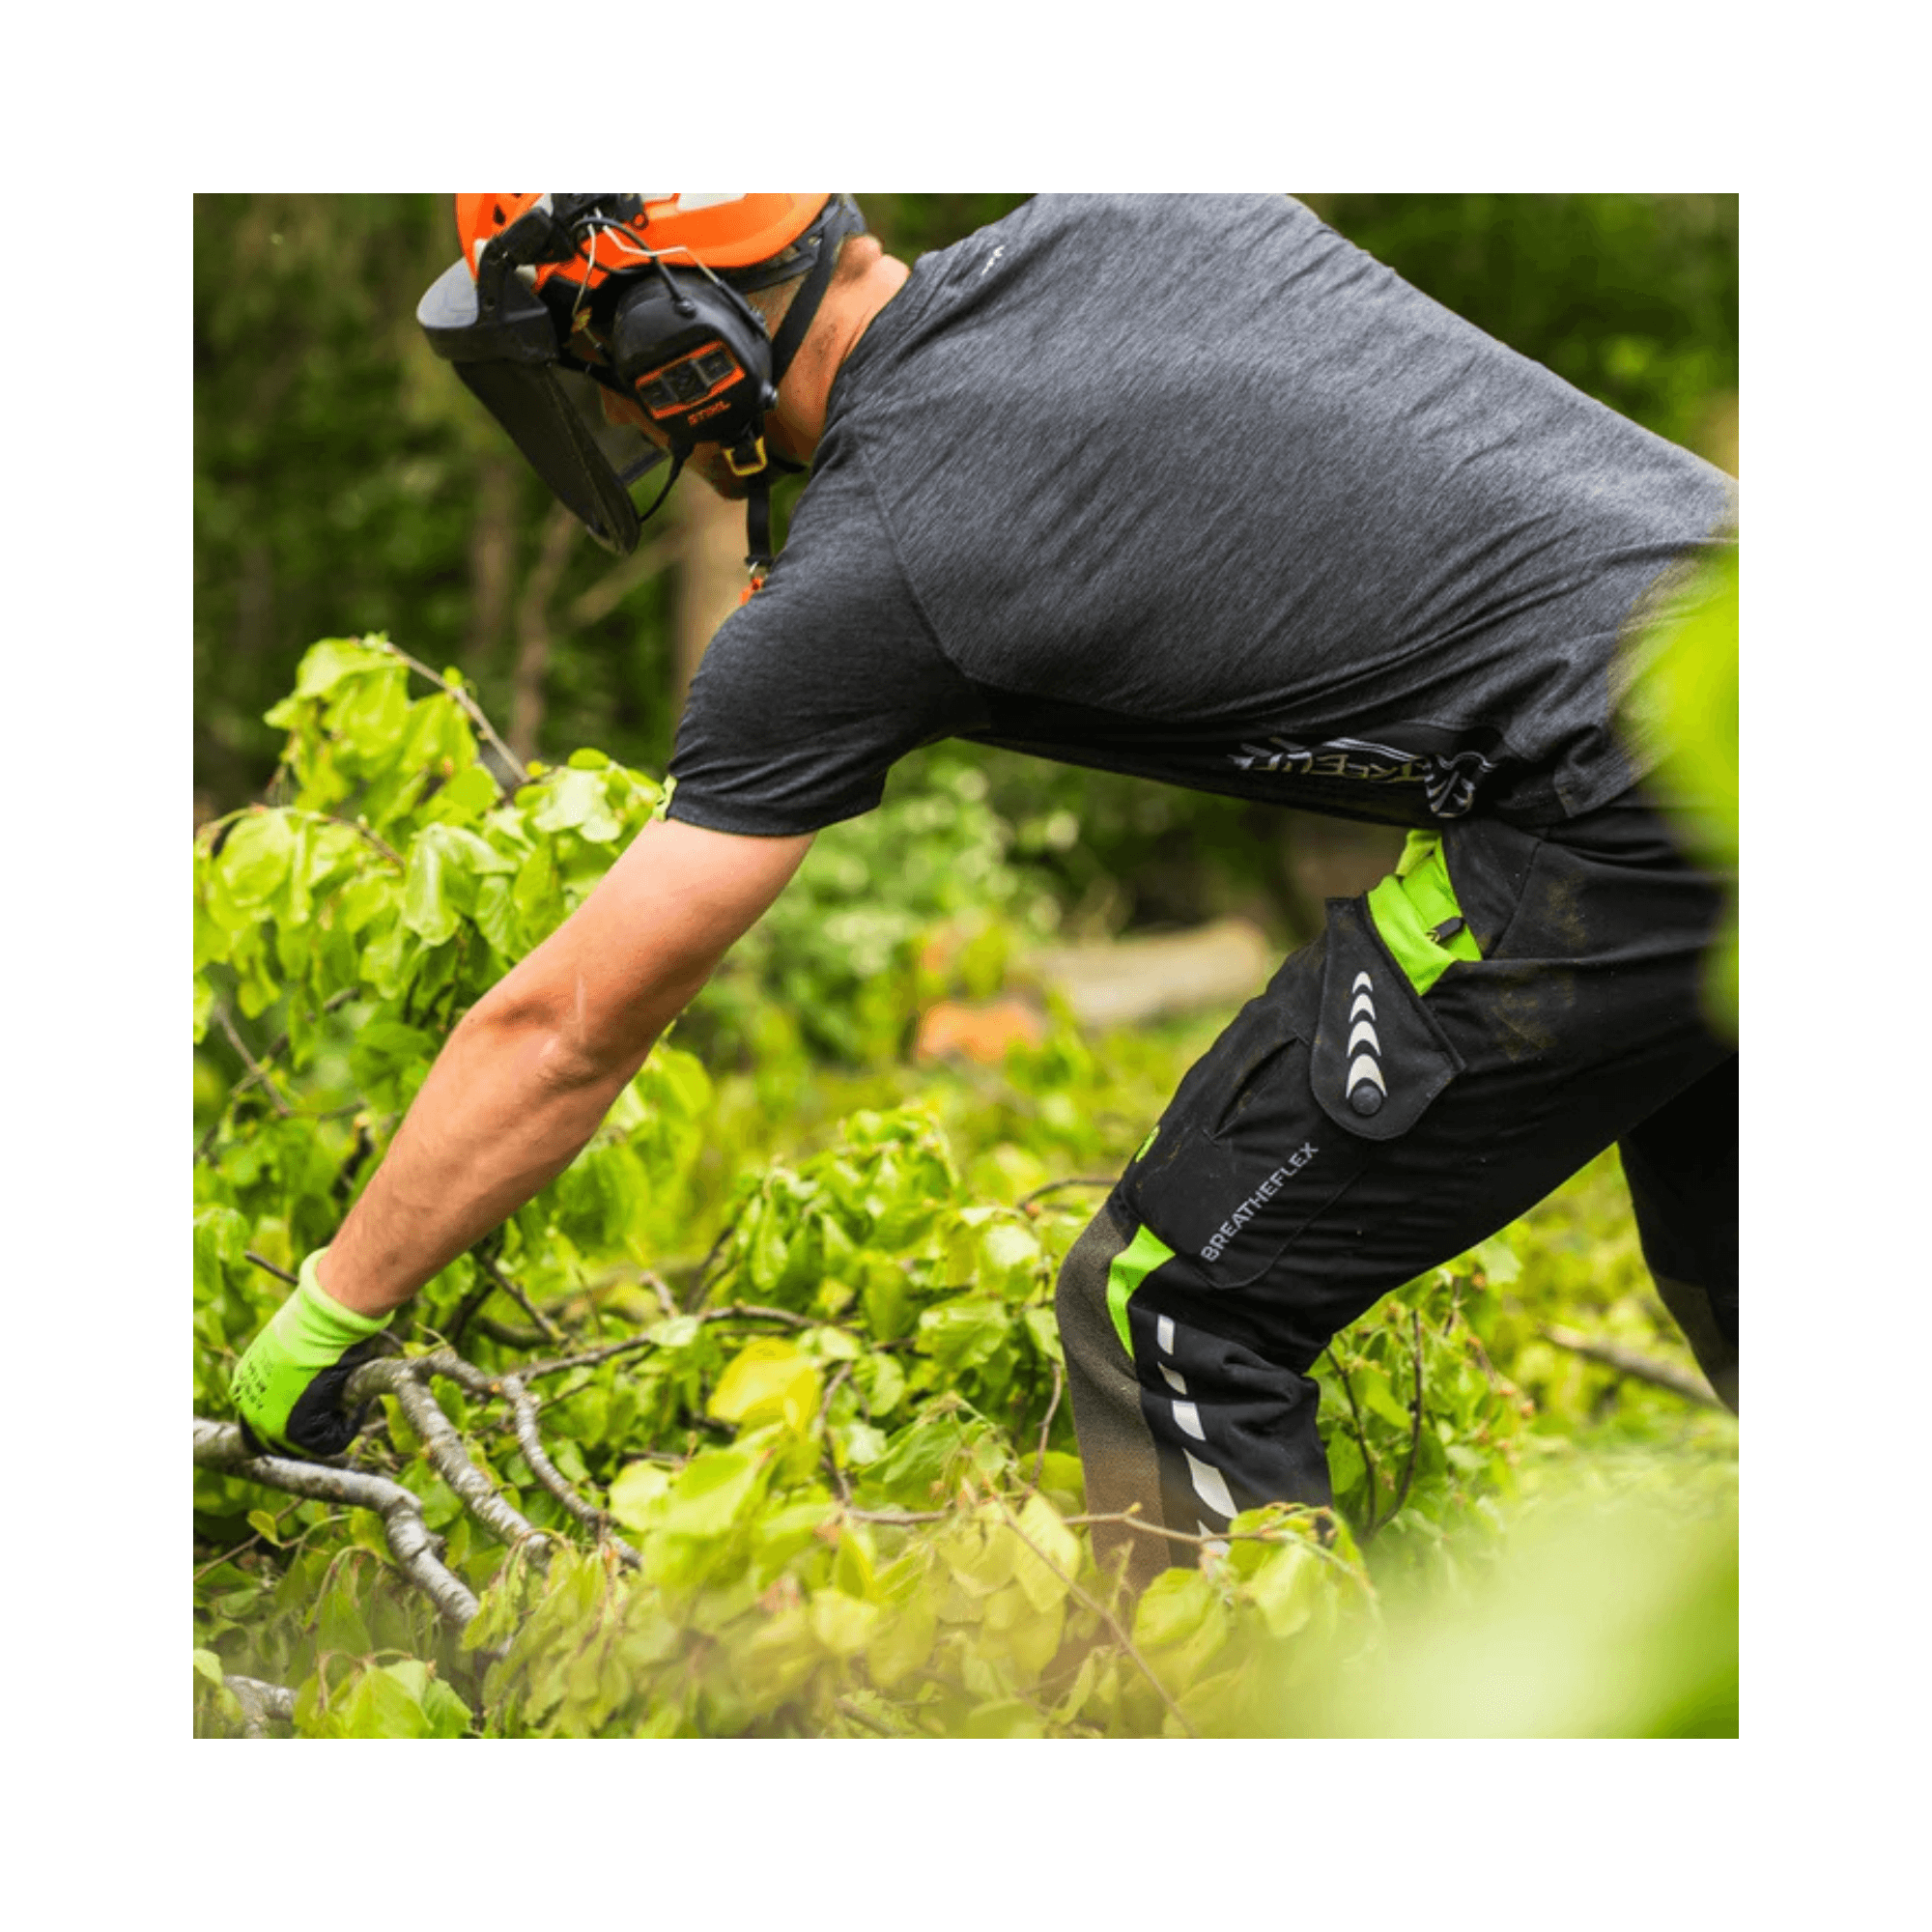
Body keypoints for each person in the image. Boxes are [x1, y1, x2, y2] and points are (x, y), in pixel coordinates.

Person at [233, 192, 1738, 1590]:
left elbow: (568, 1026)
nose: (626, 419)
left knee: (1173, 1308)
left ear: (671, 334)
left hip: (1621, 800)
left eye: (601, 372)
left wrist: (325, 1316)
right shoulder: (1130, 214)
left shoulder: (884, 557)